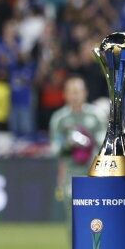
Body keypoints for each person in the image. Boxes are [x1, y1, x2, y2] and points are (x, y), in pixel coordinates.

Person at [48, 76, 103, 226]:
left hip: (94, 172)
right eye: (71, 92)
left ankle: (96, 243)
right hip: (70, 172)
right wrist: (68, 144)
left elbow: (106, 145)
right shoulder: (60, 118)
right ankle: (75, 242)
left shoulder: (96, 115)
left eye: (78, 92)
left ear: (85, 93)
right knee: (74, 216)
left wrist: (89, 142)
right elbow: (55, 148)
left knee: (97, 217)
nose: (75, 96)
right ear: (65, 94)